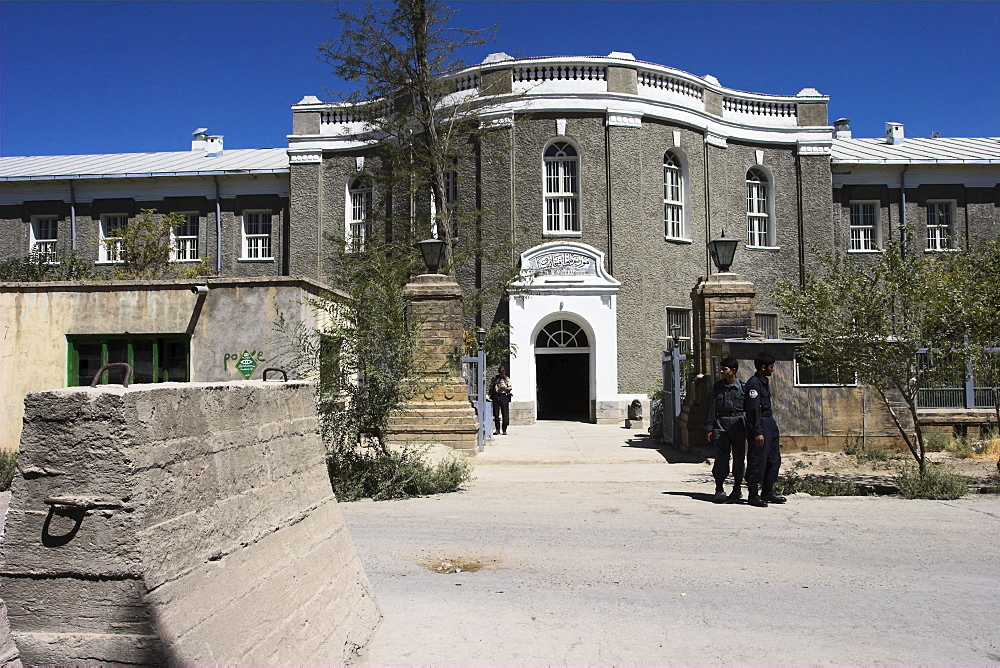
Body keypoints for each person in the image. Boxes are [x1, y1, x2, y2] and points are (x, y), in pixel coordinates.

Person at [744, 352, 786, 508]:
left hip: (769, 422)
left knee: (773, 459)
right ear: (763, 368)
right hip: (760, 423)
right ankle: (753, 494)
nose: (773, 369)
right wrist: (757, 431)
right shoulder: (754, 384)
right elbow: (753, 410)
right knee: (758, 460)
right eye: (771, 367)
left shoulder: (763, 382)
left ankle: (767, 491)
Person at [703, 357, 747, 504]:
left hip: (739, 424)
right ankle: (719, 488)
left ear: (733, 370)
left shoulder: (743, 387)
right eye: (721, 369)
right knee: (721, 456)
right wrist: (709, 428)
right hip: (721, 424)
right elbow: (712, 408)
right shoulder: (718, 387)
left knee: (739, 456)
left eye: (724, 369)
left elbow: (750, 409)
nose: (722, 372)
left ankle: (737, 488)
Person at [489, 365, 512, 435]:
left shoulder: (506, 379)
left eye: (503, 372)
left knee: (505, 413)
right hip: (496, 396)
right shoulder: (495, 379)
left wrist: (505, 388)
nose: (502, 374)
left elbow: (510, 388)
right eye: (501, 372)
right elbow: (491, 386)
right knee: (496, 414)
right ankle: (497, 429)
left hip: (503, 396)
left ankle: (504, 429)